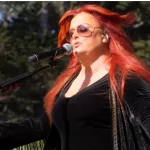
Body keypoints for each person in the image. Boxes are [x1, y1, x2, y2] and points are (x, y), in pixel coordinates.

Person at [0, 4, 150, 150]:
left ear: (105, 35)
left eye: (83, 29)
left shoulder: (125, 79)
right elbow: (39, 126)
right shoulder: (67, 84)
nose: (74, 36)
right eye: (70, 34)